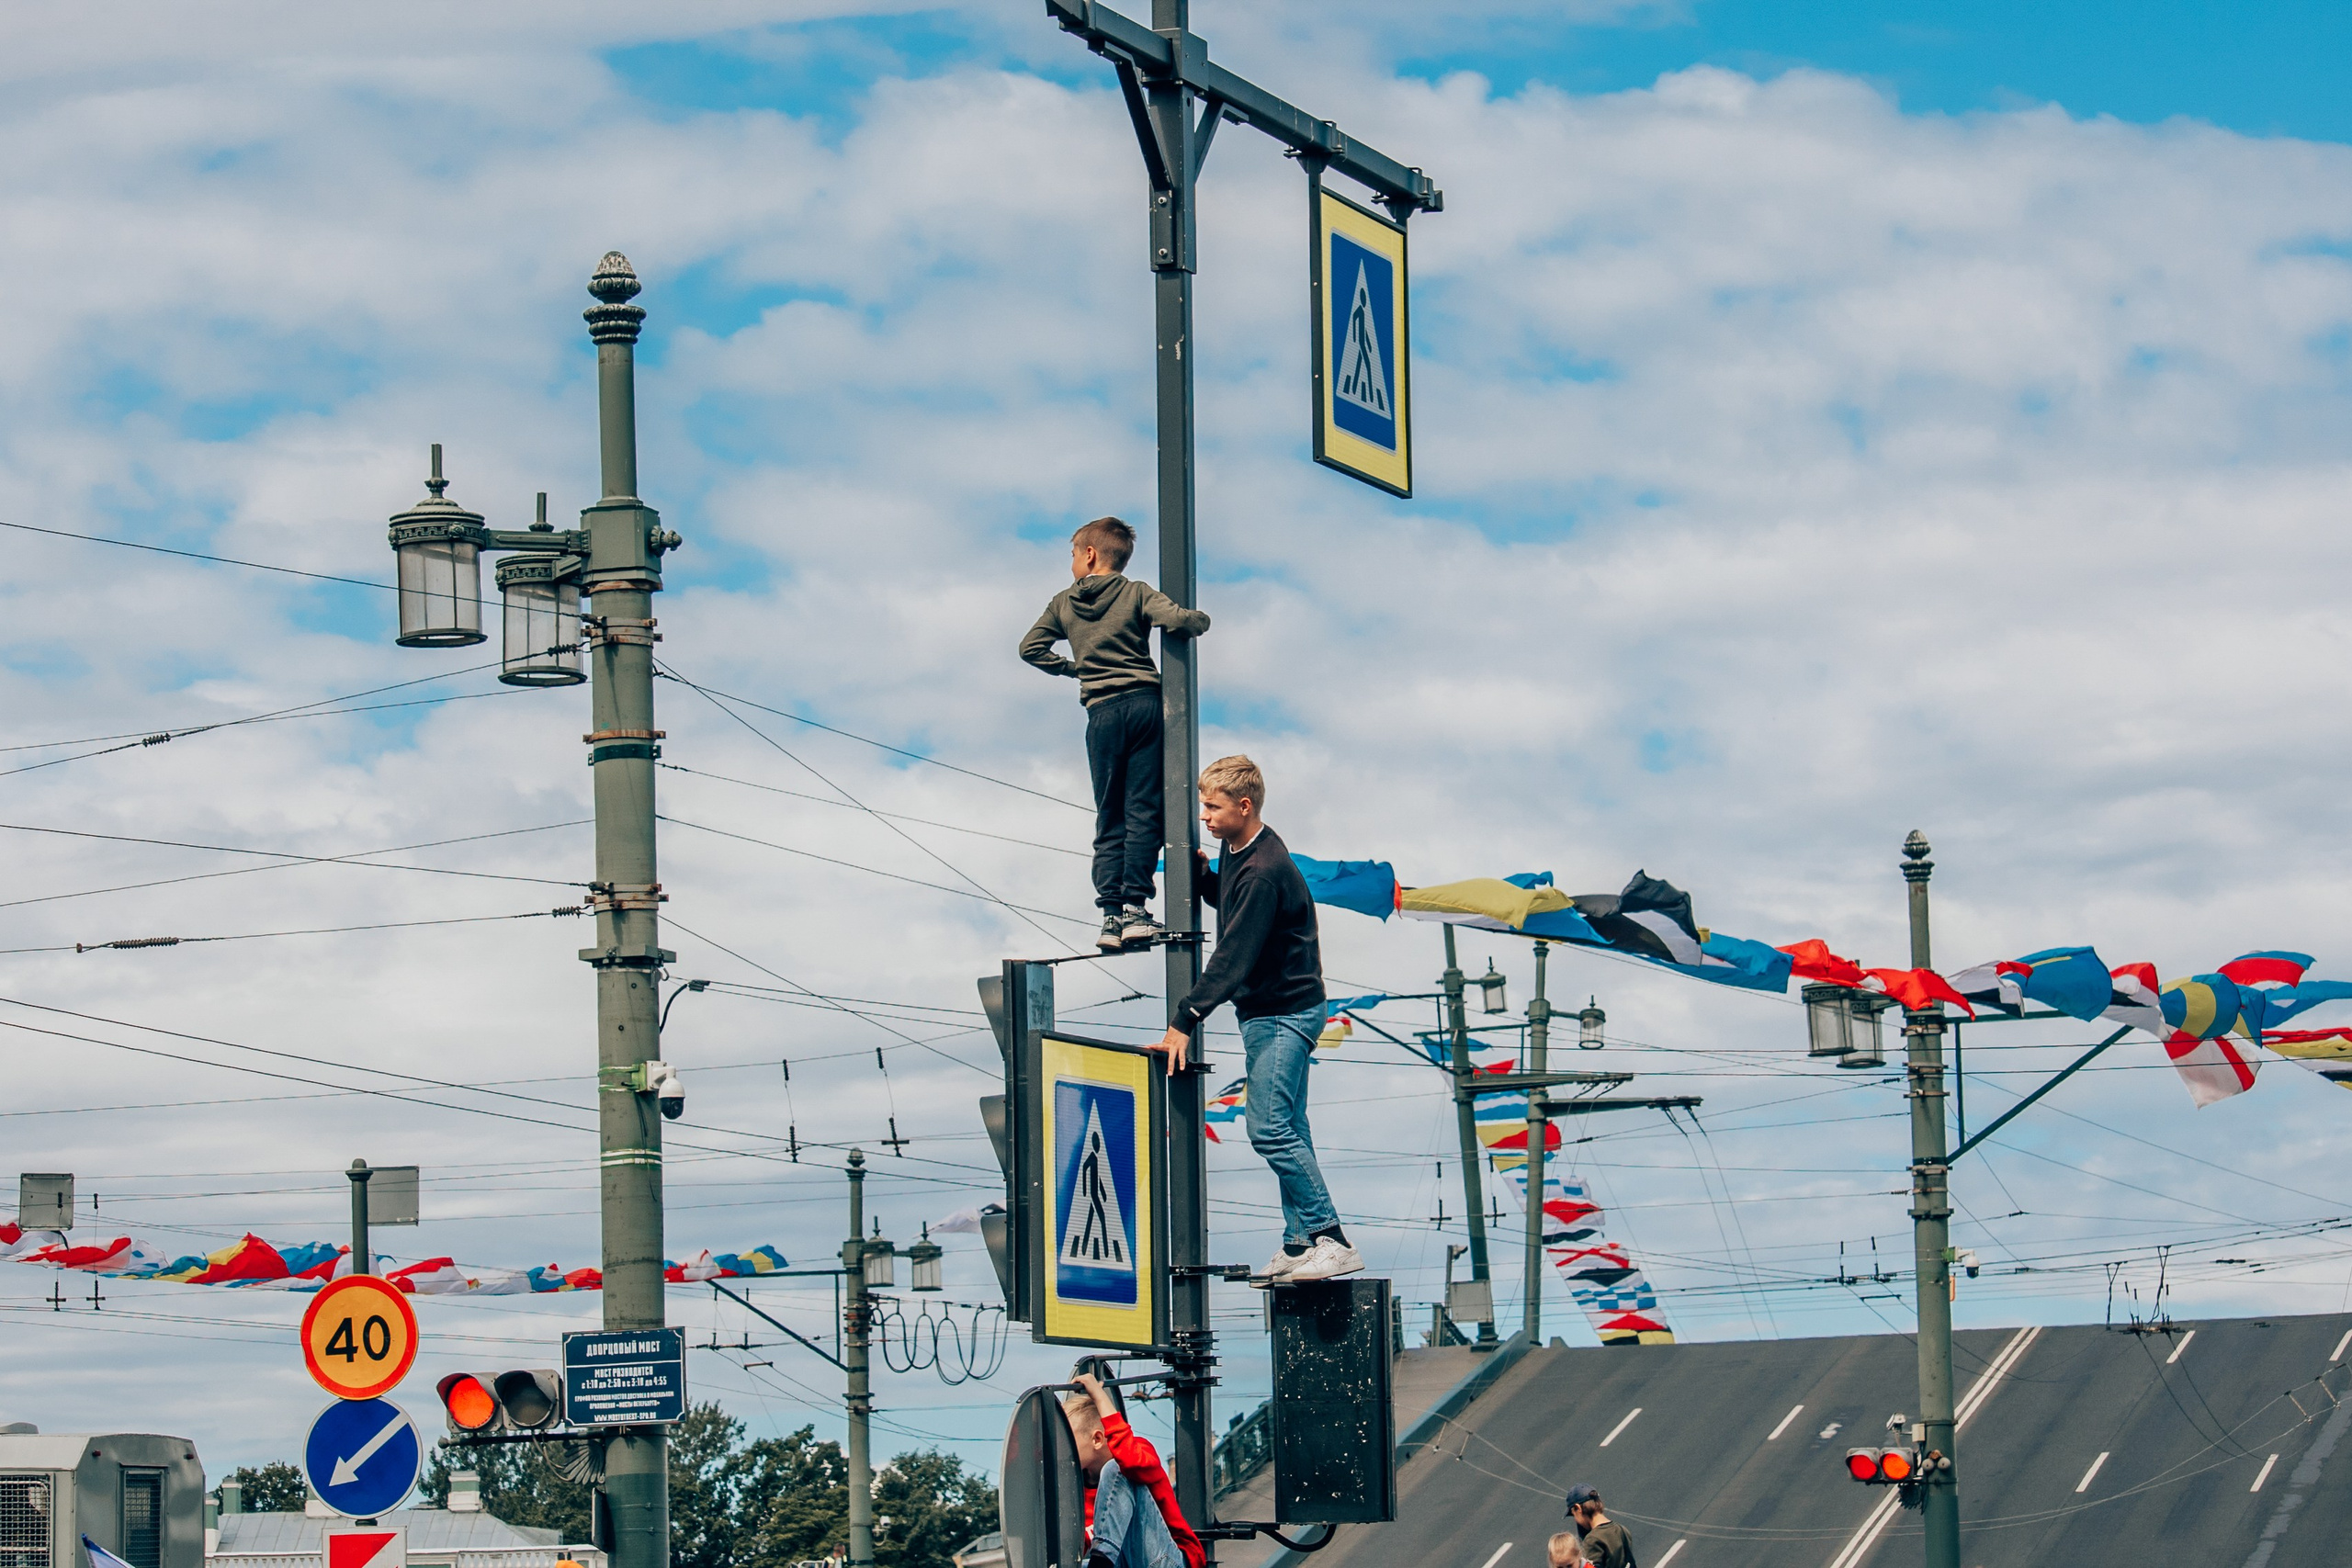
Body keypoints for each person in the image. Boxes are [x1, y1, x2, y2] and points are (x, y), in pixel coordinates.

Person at [1151, 755, 1361, 1284]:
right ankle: (1298, 1244)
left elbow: (1233, 955)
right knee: (1291, 1127)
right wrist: (1203, 879)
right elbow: (1231, 899)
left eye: (1213, 807)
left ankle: (1331, 1239)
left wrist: (1184, 1019)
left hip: (1285, 1012)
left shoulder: (1265, 871)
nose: (1205, 816)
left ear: (1244, 807)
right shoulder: (1240, 846)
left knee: (1267, 1128)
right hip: (1272, 1010)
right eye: (1203, 805)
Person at [1020, 516, 1210, 953]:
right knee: (1143, 810)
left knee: (1110, 816)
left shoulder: (1062, 603)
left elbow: (1029, 648)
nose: (1071, 562)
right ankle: (1136, 910)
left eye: (1072, 554)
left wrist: (1075, 668)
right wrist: (1201, 620)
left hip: (1101, 714)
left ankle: (1109, 916)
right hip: (1144, 706)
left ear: (1089, 554)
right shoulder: (1136, 591)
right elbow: (1177, 620)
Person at [1061, 1371, 1204, 1568]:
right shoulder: (1077, 1490)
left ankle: (1101, 1561)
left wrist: (1099, 1396)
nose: (1062, 1449)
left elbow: (1129, 1462)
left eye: (1067, 1440)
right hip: (1124, 1562)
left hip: (1170, 1561)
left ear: (1097, 1439)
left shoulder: (1140, 1451)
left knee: (1117, 1468)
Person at [1562, 1485, 1637, 1568]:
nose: (1576, 1520)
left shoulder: (1592, 1540)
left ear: (1578, 1508)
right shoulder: (1622, 1529)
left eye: (1574, 1514)